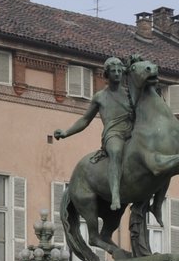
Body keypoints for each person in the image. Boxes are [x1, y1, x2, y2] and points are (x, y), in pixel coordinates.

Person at [51, 56, 135, 209]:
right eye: (113, 71)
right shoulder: (100, 97)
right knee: (116, 152)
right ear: (106, 74)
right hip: (113, 134)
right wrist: (66, 133)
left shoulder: (130, 94)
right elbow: (85, 120)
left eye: (119, 71)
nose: (117, 74)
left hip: (132, 133)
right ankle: (115, 194)